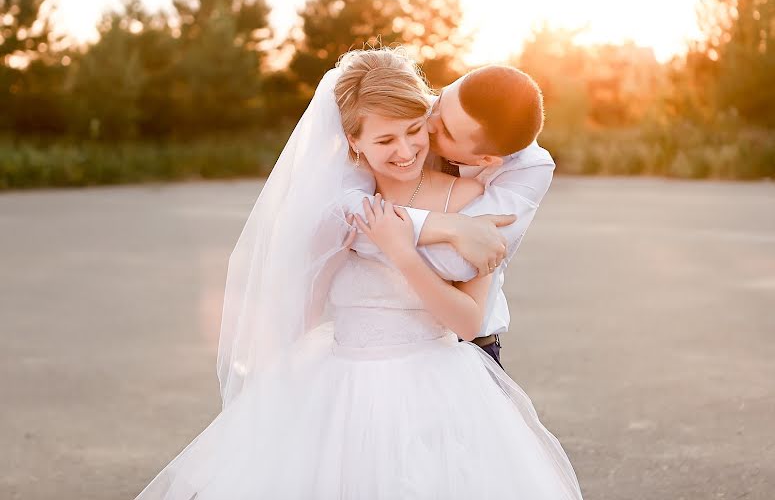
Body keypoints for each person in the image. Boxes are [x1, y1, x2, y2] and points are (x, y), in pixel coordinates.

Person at [134, 48, 583, 499]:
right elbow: (331, 233)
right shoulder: (358, 174)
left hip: (449, 362)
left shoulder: (507, 177)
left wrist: (405, 244)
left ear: (485, 159)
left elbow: (462, 269)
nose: (421, 130)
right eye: (437, 103)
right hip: (341, 371)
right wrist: (437, 227)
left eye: (432, 130)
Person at [343, 62, 555, 368]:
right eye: (440, 101)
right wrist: (447, 227)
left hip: (467, 347)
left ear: (486, 160)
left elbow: (457, 262)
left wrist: (393, 240)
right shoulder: (407, 116)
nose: (427, 123)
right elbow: (339, 211)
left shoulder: (527, 169)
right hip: (367, 349)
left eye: (444, 131)